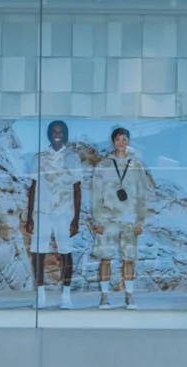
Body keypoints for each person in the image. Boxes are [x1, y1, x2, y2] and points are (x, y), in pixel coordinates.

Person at [86, 125, 156, 307]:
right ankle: (104, 296)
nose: (121, 143)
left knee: (129, 259)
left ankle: (129, 295)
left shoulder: (136, 166)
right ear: (113, 141)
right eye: (118, 139)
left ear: (129, 142)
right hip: (108, 219)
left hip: (129, 219)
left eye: (124, 139)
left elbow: (142, 195)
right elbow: (96, 194)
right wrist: (98, 220)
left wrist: (140, 220)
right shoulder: (104, 165)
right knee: (105, 258)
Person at [30, 117, 81, 309]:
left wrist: (76, 219)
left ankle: (66, 296)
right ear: (49, 135)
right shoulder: (39, 158)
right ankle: (40, 295)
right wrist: (29, 217)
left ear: (65, 135)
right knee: (38, 253)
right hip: (41, 211)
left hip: (64, 212)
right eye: (54, 131)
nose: (57, 135)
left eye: (61, 132)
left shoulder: (73, 158)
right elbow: (33, 187)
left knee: (66, 252)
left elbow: (77, 189)